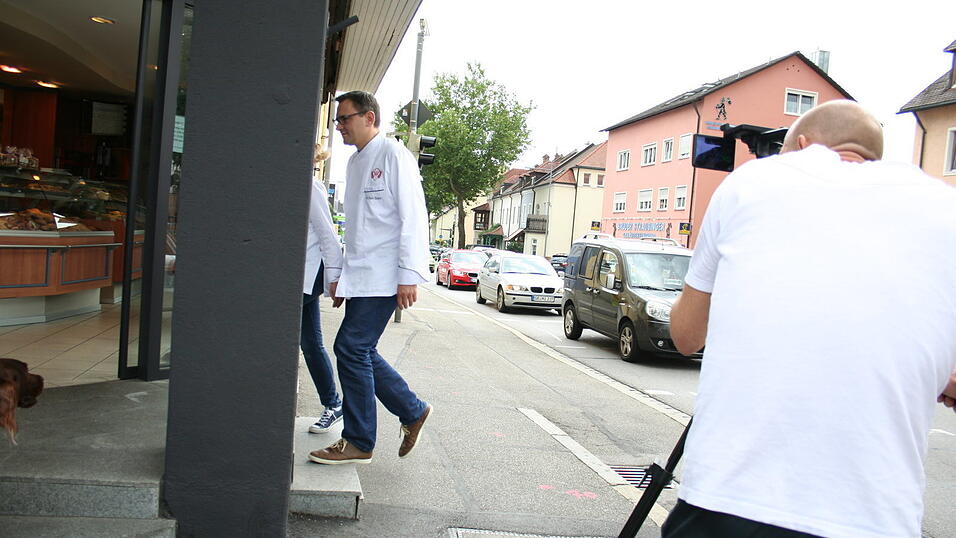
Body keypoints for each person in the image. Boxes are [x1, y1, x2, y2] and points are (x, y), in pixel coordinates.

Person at [667, 100, 956, 538]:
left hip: (730, 501)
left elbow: (686, 336)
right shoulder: (945, 208)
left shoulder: (751, 183)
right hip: (878, 517)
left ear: (801, 148)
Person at [309, 91, 432, 465]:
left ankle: (360, 439)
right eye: (338, 120)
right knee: (359, 349)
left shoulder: (394, 155)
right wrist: (342, 278)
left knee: (351, 348)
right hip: (363, 274)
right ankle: (411, 410)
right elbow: (360, 229)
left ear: (369, 117)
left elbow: (414, 215)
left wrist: (408, 274)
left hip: (387, 273)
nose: (339, 126)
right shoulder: (356, 163)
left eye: (344, 118)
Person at [300, 149, 344, 434]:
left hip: (306, 275)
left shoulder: (311, 187)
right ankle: (333, 403)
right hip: (295, 276)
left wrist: (335, 278)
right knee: (310, 342)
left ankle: (333, 402)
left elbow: (328, 235)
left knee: (308, 341)